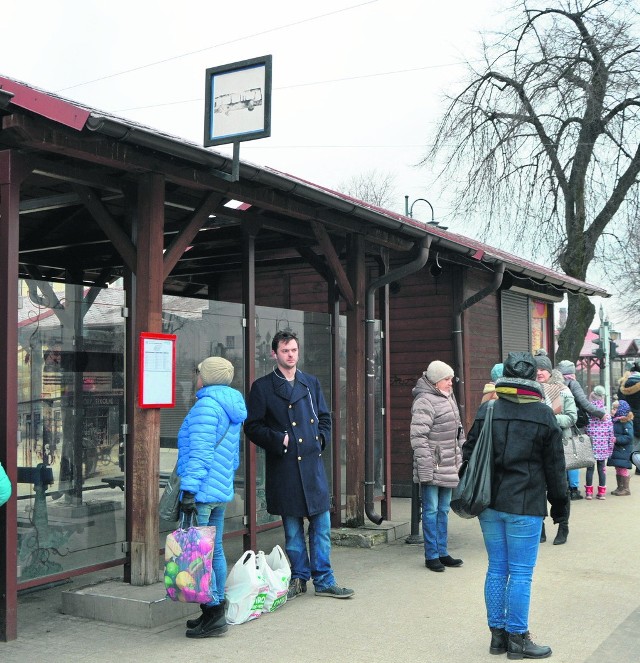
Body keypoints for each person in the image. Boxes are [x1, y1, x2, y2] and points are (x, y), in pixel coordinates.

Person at [464, 351, 567, 659]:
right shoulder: (543, 414)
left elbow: (468, 454)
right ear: (533, 379)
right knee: (521, 573)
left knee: (497, 568)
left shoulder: (489, 409)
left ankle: (498, 638)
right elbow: (555, 469)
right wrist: (560, 509)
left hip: (489, 504)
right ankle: (518, 641)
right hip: (525, 504)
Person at [244, 330, 354, 600]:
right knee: (293, 532)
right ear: (274, 354)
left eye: (293, 350)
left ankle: (325, 580)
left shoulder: (310, 383)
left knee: (322, 528)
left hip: (312, 467)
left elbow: (325, 417)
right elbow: (252, 426)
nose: (290, 355)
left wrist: (320, 440)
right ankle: (299, 577)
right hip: (285, 468)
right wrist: (279, 439)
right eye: (284, 351)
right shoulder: (263, 387)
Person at [177, 356, 247, 638]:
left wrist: (190, 491)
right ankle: (213, 610)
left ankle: (213, 612)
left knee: (197, 553)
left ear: (207, 376)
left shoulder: (207, 405)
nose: (196, 376)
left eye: (199, 372)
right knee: (213, 549)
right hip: (218, 489)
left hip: (203, 492)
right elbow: (231, 456)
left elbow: (201, 453)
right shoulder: (231, 405)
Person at [410, 360, 465, 572]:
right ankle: (431, 555)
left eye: (451, 379)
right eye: (447, 380)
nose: (451, 383)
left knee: (443, 510)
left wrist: (462, 452)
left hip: (449, 463)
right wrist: (426, 467)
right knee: (431, 511)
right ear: (435, 381)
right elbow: (418, 437)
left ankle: (443, 552)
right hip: (433, 465)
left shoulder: (448, 397)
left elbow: (458, 430)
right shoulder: (424, 401)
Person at [535, 350, 577, 545]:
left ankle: (563, 525)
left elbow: (571, 417)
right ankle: (540, 528)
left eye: (543, 368)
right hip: (536, 446)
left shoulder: (562, 389)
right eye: (536, 368)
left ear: (550, 371)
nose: (539, 372)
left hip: (557, 444)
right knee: (538, 488)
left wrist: (548, 418)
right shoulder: (531, 389)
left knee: (560, 489)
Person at [556, 359, 606, 499]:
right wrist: (601, 414)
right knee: (573, 453)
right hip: (573, 423)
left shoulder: (554, 384)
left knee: (562, 453)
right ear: (572, 372)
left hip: (557, 421)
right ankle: (574, 488)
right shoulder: (573, 383)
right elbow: (584, 403)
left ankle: (563, 486)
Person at [584, 386, 615, 500]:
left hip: (590, 447)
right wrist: (610, 450)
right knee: (602, 469)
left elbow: (585, 431)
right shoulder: (606, 416)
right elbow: (611, 435)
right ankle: (602, 492)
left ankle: (588, 493)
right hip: (603, 448)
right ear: (602, 399)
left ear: (591, 400)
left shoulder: (589, 415)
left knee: (590, 468)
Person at [617, 362, 640, 475]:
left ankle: (627, 465)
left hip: (628, 417)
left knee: (632, 442)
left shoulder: (623, 384)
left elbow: (620, 403)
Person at [608, 399, 634, 496]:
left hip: (623, 449)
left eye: (615, 409)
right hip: (617, 449)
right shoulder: (616, 421)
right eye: (612, 408)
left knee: (622, 468)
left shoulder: (626, 422)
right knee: (618, 468)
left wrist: (617, 439)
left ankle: (626, 489)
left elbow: (629, 437)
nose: (612, 410)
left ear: (621, 410)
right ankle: (620, 487)